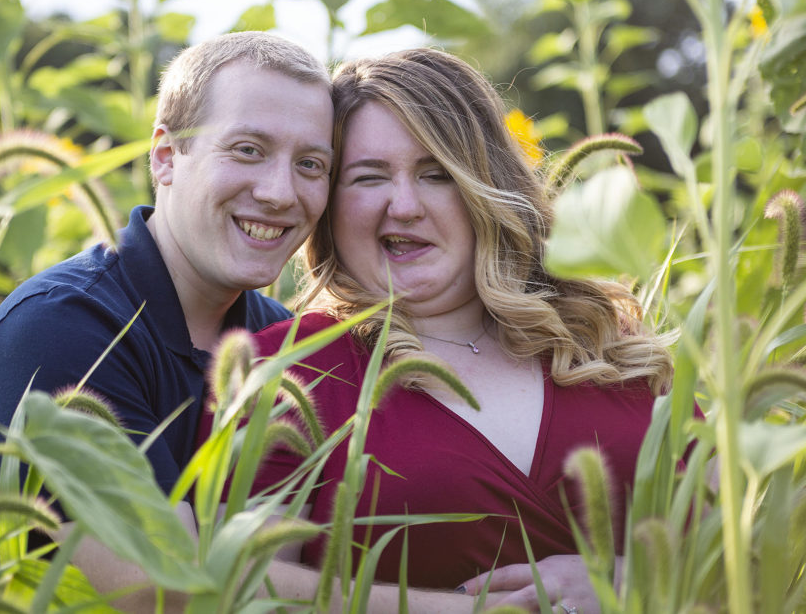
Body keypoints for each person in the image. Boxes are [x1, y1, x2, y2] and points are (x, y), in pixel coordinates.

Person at [220, 47, 676, 613]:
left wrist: (641, 576)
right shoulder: (291, 373)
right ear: (329, 206)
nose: (404, 205)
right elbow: (243, 584)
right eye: (368, 177)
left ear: (485, 185)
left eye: (436, 174)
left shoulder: (608, 345)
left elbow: (747, 544)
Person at [0, 31, 333, 599]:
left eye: (310, 163)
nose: (279, 192)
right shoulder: (60, 327)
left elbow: (273, 563)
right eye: (247, 149)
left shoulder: (281, 341)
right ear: (165, 156)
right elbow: (164, 593)